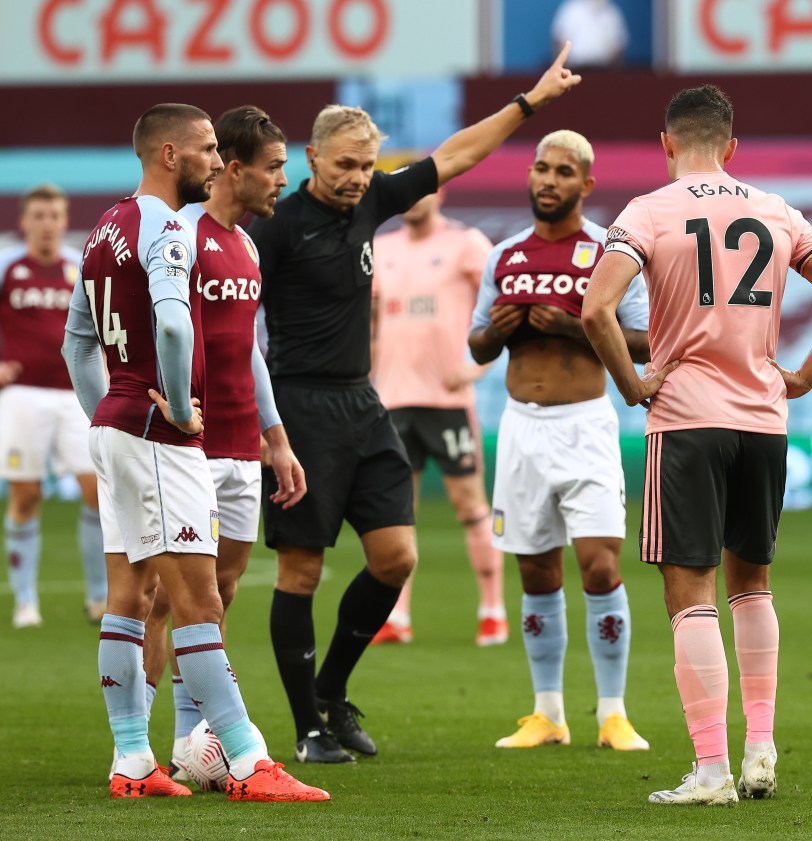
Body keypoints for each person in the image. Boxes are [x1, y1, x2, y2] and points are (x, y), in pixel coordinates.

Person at [246, 44, 582, 763]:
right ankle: (306, 727)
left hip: (364, 404)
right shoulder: (273, 227)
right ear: (311, 156)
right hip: (299, 409)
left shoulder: (371, 202)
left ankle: (332, 692)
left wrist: (531, 103)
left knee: (397, 557)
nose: (356, 179)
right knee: (300, 574)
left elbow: (455, 157)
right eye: (344, 165)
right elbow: (233, 319)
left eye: (366, 167)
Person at [582, 84, 812, 805]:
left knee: (689, 589)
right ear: (733, 147)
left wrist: (632, 380)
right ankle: (761, 748)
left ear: (667, 144)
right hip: (764, 421)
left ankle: (711, 768)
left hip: (687, 419)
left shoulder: (649, 211)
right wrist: (802, 374)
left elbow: (595, 308)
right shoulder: (776, 210)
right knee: (754, 583)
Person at [62, 102, 328, 801]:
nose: (217, 162)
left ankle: (131, 759)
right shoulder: (168, 230)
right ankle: (246, 761)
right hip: (161, 438)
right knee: (198, 600)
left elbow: (76, 344)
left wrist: (109, 411)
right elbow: (176, 331)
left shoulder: (103, 229)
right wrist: (178, 409)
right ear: (170, 154)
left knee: (127, 596)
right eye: (208, 149)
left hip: (117, 428)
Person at [468, 129, 656, 753]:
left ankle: (613, 712)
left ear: (586, 185)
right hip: (521, 427)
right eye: (541, 169)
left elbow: (647, 342)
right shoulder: (506, 255)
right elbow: (475, 346)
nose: (548, 181)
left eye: (563, 172)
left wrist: (578, 328)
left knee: (600, 565)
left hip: (585, 425)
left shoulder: (610, 252)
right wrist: (496, 332)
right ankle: (547, 712)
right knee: (536, 572)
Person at [138, 105, 308, 776]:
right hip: (188, 445)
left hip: (242, 447)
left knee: (224, 589)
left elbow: (250, 352)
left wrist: (277, 436)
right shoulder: (182, 234)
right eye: (275, 170)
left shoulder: (247, 247)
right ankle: (137, 745)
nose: (282, 183)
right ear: (235, 170)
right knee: (162, 595)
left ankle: (189, 743)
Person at [370, 188, 506, 647]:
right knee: (396, 514)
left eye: (419, 189)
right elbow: (368, 322)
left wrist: (477, 367)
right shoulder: (381, 248)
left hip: (446, 402)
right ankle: (396, 618)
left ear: (441, 191)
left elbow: (502, 305)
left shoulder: (466, 244)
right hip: (391, 401)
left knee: (470, 506)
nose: (409, 199)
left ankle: (492, 610)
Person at [0, 184, 107, 629]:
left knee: (98, 493)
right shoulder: (8, 266)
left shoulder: (77, 270)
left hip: (74, 396)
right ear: (24, 221)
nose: (47, 223)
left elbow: (101, 327)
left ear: (65, 222)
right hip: (23, 394)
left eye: (55, 216)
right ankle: (25, 601)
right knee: (26, 494)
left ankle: (99, 598)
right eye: (39, 215)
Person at [551, 0, 628, 69]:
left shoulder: (612, 13)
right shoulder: (571, 9)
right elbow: (559, 41)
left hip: (603, 73)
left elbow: (619, 46)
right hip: (574, 70)